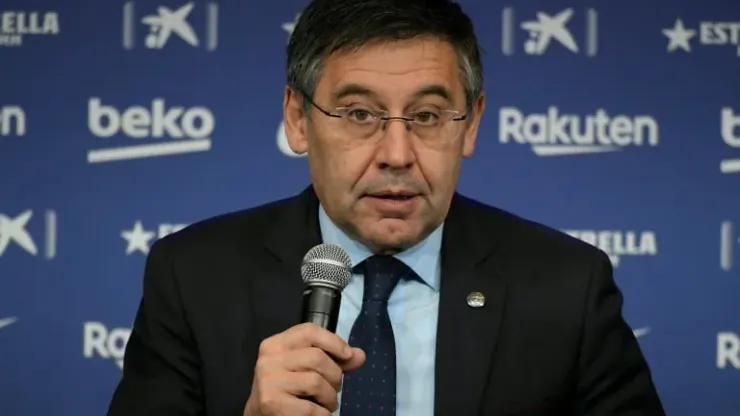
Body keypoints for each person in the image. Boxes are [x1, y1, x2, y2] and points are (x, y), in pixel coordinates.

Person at [106, 0, 666, 415]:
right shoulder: (194, 277)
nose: (397, 155)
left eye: (426, 116)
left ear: (471, 124)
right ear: (298, 119)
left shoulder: (568, 286)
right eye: (359, 114)